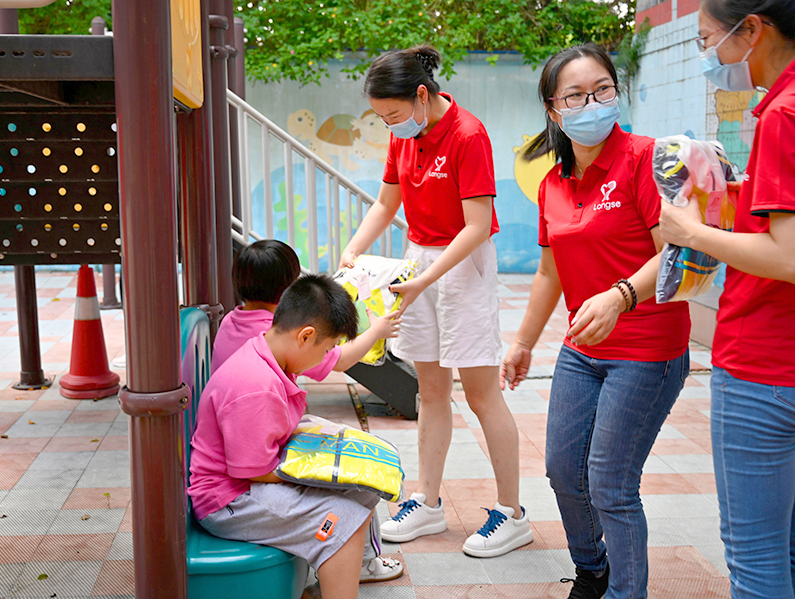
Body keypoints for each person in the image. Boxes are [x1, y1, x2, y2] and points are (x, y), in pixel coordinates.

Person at [504, 44, 691, 599]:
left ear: (616, 91)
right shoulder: (553, 184)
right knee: (564, 471)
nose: (592, 103)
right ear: (553, 109)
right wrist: (522, 342)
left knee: (611, 482)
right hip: (582, 348)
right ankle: (593, 569)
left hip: (648, 348)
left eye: (602, 90)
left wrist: (620, 296)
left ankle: (627, 592)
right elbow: (549, 272)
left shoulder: (646, 159)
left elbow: (675, 250)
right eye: (576, 95)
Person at [339, 44, 533, 558]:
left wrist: (425, 280)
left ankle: (512, 513)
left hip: (463, 265)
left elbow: (476, 227)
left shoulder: (468, 134)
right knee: (430, 390)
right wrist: (353, 250)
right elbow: (387, 203)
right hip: (418, 261)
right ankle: (427, 501)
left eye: (394, 115)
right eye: (382, 118)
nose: (390, 125)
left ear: (421, 96)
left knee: (481, 394)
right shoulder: (403, 136)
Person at [660, 2, 795, 596]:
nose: (707, 54)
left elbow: (787, 257)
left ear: (753, 29)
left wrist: (690, 231)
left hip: (765, 363)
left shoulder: (783, 114)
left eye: (707, 38)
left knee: (757, 560)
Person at [188, 275, 403, 599]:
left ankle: (327, 586)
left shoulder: (270, 352)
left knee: (361, 489)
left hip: (250, 479)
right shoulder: (256, 386)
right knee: (343, 519)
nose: (326, 356)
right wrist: (323, 471)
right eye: (327, 348)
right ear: (306, 336)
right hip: (229, 500)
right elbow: (253, 470)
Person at [211, 239, 401, 377]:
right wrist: (376, 331)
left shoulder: (229, 320)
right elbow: (341, 360)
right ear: (288, 288)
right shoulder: (278, 332)